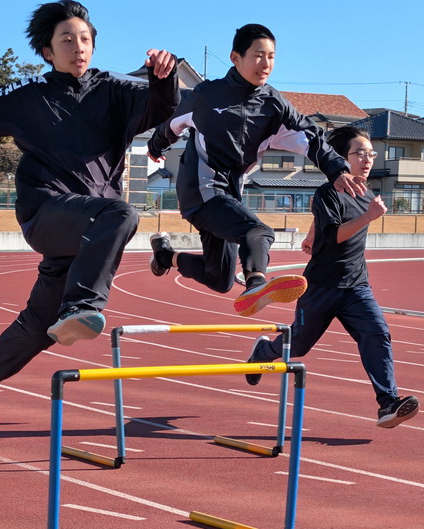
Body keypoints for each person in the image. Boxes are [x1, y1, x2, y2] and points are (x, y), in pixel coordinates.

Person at [0, 0, 179, 427]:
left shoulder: (115, 90)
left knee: (37, 328)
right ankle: (82, 305)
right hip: (46, 212)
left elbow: (161, 106)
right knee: (122, 215)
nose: (78, 46)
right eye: (67, 40)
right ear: (48, 52)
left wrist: (164, 77)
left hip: (88, 227)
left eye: (85, 39)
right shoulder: (28, 95)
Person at [146, 23, 367, 317]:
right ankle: (256, 283)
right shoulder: (208, 96)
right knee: (258, 231)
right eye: (258, 56)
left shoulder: (274, 105)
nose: (266, 64)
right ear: (235, 57)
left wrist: (337, 169)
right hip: (199, 188)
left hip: (229, 195)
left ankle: (164, 255)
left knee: (219, 278)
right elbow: (172, 121)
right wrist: (156, 147)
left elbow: (311, 137)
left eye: (271, 57)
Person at [245, 125, 419, 429]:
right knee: (299, 346)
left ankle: (388, 403)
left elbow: (324, 224)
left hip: (356, 286)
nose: (367, 159)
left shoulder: (366, 193)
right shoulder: (327, 192)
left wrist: (312, 233)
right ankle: (264, 351)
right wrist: (368, 217)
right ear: (341, 158)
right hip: (321, 287)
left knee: (377, 333)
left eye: (371, 154)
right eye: (359, 153)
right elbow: (335, 234)